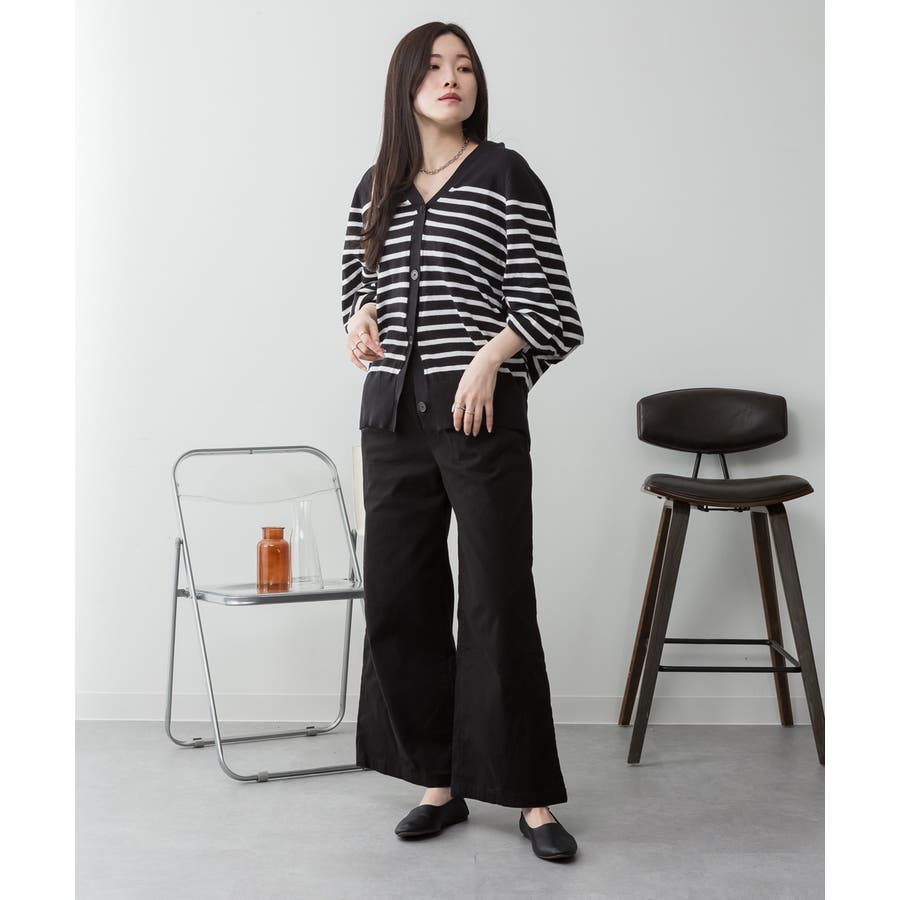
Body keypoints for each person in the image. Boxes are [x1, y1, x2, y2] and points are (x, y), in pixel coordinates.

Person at [340, 21, 584, 861]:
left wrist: (490, 358)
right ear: (405, 83)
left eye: (466, 67)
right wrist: (359, 320)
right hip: (392, 418)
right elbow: (357, 288)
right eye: (436, 66)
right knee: (399, 598)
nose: (453, 78)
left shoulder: (505, 175)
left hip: (479, 414)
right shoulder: (375, 186)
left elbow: (553, 305)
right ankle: (436, 782)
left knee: (496, 599)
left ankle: (531, 799)